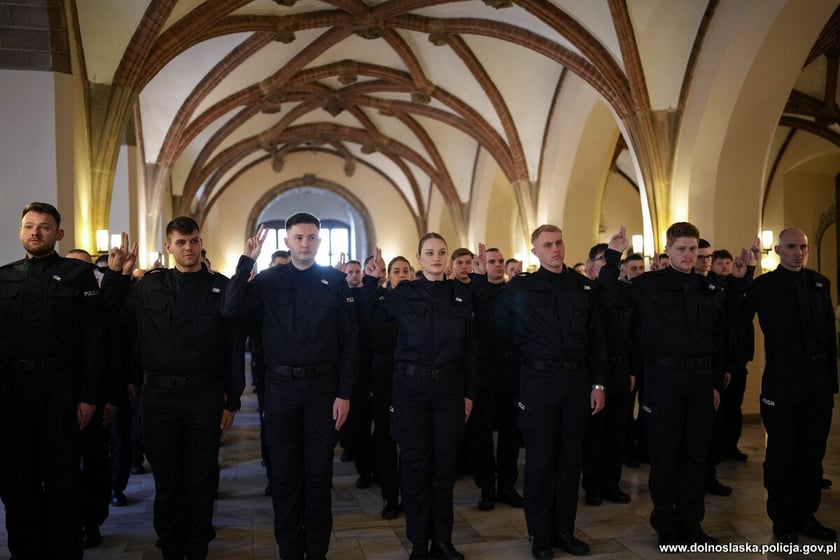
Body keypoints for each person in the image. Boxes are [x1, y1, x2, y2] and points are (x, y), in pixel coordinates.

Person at [103, 217, 245, 560]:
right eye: (181, 242)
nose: (188, 248)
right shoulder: (149, 286)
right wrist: (116, 275)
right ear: (168, 247)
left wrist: (233, 400)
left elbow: (233, 346)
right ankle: (170, 548)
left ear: (200, 243)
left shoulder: (220, 286)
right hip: (160, 396)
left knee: (201, 477)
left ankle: (197, 549)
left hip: (204, 394)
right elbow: (112, 320)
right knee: (166, 479)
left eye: (194, 241)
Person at [222, 212, 357, 560]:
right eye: (298, 237)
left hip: (323, 390)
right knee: (284, 475)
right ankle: (290, 552)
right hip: (281, 388)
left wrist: (344, 393)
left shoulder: (334, 282)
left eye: (312, 237)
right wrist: (246, 262)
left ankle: (317, 552)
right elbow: (231, 311)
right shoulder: (267, 280)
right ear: (287, 241)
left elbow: (349, 342)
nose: (305, 244)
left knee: (318, 474)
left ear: (319, 241)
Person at [599, 224, 727, 547]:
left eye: (693, 249)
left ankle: (692, 523)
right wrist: (614, 254)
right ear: (668, 250)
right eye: (682, 249)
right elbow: (608, 295)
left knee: (696, 456)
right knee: (666, 455)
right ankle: (667, 525)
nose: (688, 255)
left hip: (699, 381)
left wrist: (714, 383)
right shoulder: (648, 285)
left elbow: (719, 337)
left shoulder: (707, 287)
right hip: (663, 379)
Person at [0, 202, 104, 560]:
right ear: (19, 232)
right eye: (29, 226)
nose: (35, 232)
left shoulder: (78, 274)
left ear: (58, 234)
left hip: (61, 389)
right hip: (13, 392)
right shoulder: (3, 277)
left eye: (44, 227)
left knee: (62, 482)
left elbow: (93, 341)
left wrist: (90, 396)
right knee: (16, 483)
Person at [364, 234, 477, 560]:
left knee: (444, 467)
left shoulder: (461, 294)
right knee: (414, 467)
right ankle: (418, 541)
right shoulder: (403, 294)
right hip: (411, 390)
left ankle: (443, 538)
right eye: (430, 253)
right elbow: (369, 321)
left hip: (449, 391)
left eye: (442, 252)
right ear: (419, 257)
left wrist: (469, 393)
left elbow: (471, 349)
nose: (437, 257)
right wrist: (373, 281)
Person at [495, 224, 606, 559]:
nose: (555, 249)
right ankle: (539, 535)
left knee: (570, 461)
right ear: (536, 251)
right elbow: (500, 332)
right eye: (547, 245)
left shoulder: (583, 286)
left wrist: (598, 383)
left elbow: (597, 339)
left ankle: (564, 531)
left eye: (559, 243)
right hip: (538, 383)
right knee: (541, 462)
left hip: (576, 382)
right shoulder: (521, 288)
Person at [733, 227, 837, 544]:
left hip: (817, 381)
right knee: (782, 452)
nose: (799, 252)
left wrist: (832, 382)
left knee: (812, 453)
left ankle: (807, 515)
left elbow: (829, 336)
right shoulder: (764, 286)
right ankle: (783, 521)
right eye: (791, 247)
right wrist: (741, 279)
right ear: (777, 250)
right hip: (783, 379)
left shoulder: (819, 283)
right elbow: (736, 318)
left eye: (803, 247)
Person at [65, 248, 122, 549]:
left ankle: (91, 520)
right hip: (59, 395)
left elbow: (112, 351)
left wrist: (112, 397)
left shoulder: (101, 300)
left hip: (97, 395)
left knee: (96, 462)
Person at [468, 248, 523, 511]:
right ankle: (487, 486)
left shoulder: (514, 291)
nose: (498, 265)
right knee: (482, 433)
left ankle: (507, 485)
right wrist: (478, 281)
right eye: (492, 261)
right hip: (483, 372)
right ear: (483, 265)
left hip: (511, 370)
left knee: (511, 431)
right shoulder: (474, 291)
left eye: (501, 261)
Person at [580, 243, 632, 507]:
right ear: (590, 266)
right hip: (592, 371)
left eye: (613, 261)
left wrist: (632, 368)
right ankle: (592, 486)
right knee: (594, 432)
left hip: (620, 369)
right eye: (603, 260)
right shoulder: (585, 293)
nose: (610, 265)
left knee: (617, 430)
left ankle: (612, 483)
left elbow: (633, 334)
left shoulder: (623, 293)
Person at [711, 249, 751, 462]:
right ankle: (717, 448)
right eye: (720, 263)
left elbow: (742, 322)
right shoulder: (714, 289)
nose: (725, 267)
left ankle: (731, 445)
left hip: (738, 358)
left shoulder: (735, 287)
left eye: (728, 262)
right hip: (723, 359)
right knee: (720, 408)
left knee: (735, 406)